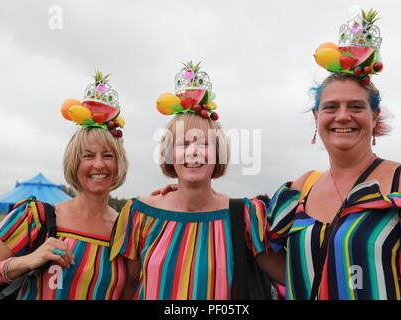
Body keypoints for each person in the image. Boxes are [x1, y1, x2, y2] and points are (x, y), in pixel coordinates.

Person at [267, 9, 401, 300]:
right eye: (331, 107)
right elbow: (278, 260)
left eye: (355, 107)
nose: (342, 116)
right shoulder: (301, 188)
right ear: (317, 117)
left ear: (374, 116)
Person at [110, 61, 283, 300]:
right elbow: (127, 288)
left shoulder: (244, 215)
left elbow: (290, 274)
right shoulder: (140, 214)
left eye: (203, 143)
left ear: (218, 153)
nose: (193, 152)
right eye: (183, 144)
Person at [0, 71, 129, 299]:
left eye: (108, 155)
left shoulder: (128, 230)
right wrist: (27, 260)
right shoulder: (37, 218)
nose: (98, 165)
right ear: (74, 162)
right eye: (88, 156)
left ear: (119, 163)